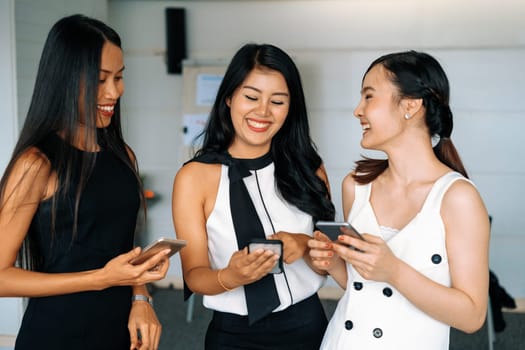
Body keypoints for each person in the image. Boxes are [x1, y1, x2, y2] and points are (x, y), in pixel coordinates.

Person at [0, 14, 170, 350]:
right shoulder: (36, 164)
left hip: (120, 331)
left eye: (119, 77)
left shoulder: (123, 156)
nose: (114, 91)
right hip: (56, 334)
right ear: (65, 79)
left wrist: (141, 298)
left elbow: (122, 248)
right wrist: (101, 279)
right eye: (100, 79)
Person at [308, 50, 490, 349]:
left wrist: (394, 271)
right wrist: (331, 263)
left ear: (410, 105)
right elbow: (360, 286)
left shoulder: (457, 198)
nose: (357, 110)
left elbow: (471, 316)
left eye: (369, 97)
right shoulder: (356, 185)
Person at [171, 43, 336, 349]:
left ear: (291, 108)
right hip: (234, 336)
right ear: (229, 97)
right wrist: (230, 276)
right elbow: (194, 276)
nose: (262, 111)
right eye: (251, 97)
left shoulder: (309, 168)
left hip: (308, 325)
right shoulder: (194, 177)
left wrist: (303, 244)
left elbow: (330, 259)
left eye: (277, 101)